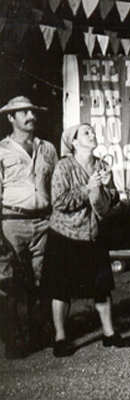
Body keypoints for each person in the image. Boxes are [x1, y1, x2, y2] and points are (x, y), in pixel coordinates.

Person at [40, 123, 130, 357]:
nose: (92, 135)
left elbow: (114, 198)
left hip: (94, 234)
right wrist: (87, 188)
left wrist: (107, 189)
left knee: (102, 287)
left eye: (92, 132)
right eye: (86, 133)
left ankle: (109, 334)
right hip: (65, 235)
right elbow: (59, 201)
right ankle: (60, 338)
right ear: (73, 142)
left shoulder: (101, 165)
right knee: (61, 289)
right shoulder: (64, 166)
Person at [0, 96, 58, 358]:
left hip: (44, 222)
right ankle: (14, 341)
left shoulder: (47, 149)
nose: (30, 116)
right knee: (9, 284)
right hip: (12, 223)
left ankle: (39, 335)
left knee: (42, 281)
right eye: (23, 112)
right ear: (11, 118)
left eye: (32, 111)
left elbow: (56, 186)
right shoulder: (2, 150)